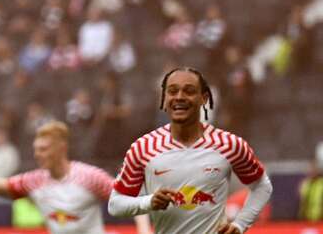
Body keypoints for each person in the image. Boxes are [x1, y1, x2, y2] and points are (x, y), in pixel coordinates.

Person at [108, 67, 272, 234]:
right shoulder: (143, 147)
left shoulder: (229, 144)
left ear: (204, 98)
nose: (179, 97)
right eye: (172, 91)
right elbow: (115, 204)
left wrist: (240, 225)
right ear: (164, 99)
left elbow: (262, 186)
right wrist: (149, 202)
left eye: (189, 91)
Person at [0, 121, 151, 234]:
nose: (38, 154)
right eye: (36, 149)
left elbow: (129, 197)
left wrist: (143, 231)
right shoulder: (33, 181)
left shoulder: (89, 176)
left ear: (61, 148)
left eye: (44, 149)